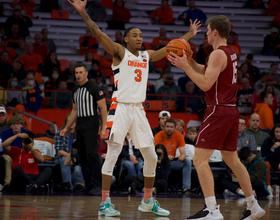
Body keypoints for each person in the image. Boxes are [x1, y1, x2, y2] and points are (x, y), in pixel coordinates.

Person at [68, 0, 200, 216]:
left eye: (141, 35)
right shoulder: (119, 52)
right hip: (119, 108)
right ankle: (104, 203)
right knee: (112, 154)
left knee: (151, 157)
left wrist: (188, 35)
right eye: (135, 35)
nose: (140, 38)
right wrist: (84, 13)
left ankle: (147, 200)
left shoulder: (146, 56)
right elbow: (98, 33)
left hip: (138, 110)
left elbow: (169, 48)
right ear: (126, 38)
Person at [167, 15, 265, 219]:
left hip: (218, 110)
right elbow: (209, 71)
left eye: (207, 29)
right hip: (230, 109)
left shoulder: (217, 54)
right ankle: (253, 205)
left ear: (214, 32)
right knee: (232, 158)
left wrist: (185, 68)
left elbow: (205, 84)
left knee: (199, 160)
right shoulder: (229, 53)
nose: (205, 33)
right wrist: (190, 61)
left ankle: (212, 209)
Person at [60, 63, 107, 197]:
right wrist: (66, 127)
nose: (78, 75)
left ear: (86, 73)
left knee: (92, 153)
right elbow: (74, 110)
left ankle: (98, 185)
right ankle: (89, 184)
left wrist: (104, 127)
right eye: (76, 73)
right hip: (80, 123)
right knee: (82, 154)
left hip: (91, 122)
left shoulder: (94, 88)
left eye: (81, 72)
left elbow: (103, 109)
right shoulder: (75, 90)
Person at [154, 118, 192, 195]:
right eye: (167, 127)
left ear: (174, 128)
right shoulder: (158, 135)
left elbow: (183, 153)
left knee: (187, 161)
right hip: (162, 161)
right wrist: (166, 157)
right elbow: (157, 152)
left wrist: (181, 157)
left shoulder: (179, 136)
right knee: (159, 161)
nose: (169, 129)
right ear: (164, 127)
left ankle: (186, 188)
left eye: (171, 127)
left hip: (173, 161)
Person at [54, 113, 77, 190]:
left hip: (78, 158)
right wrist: (71, 157)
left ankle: (81, 186)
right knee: (65, 161)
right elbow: (59, 151)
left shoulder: (80, 135)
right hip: (63, 157)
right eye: (69, 121)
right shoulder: (60, 133)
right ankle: (68, 187)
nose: (71, 123)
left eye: (73, 121)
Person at [261, 123, 280, 198]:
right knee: (266, 164)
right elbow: (265, 157)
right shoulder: (267, 141)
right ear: (273, 132)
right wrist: (273, 148)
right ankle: (268, 188)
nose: (278, 134)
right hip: (271, 164)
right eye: (276, 132)